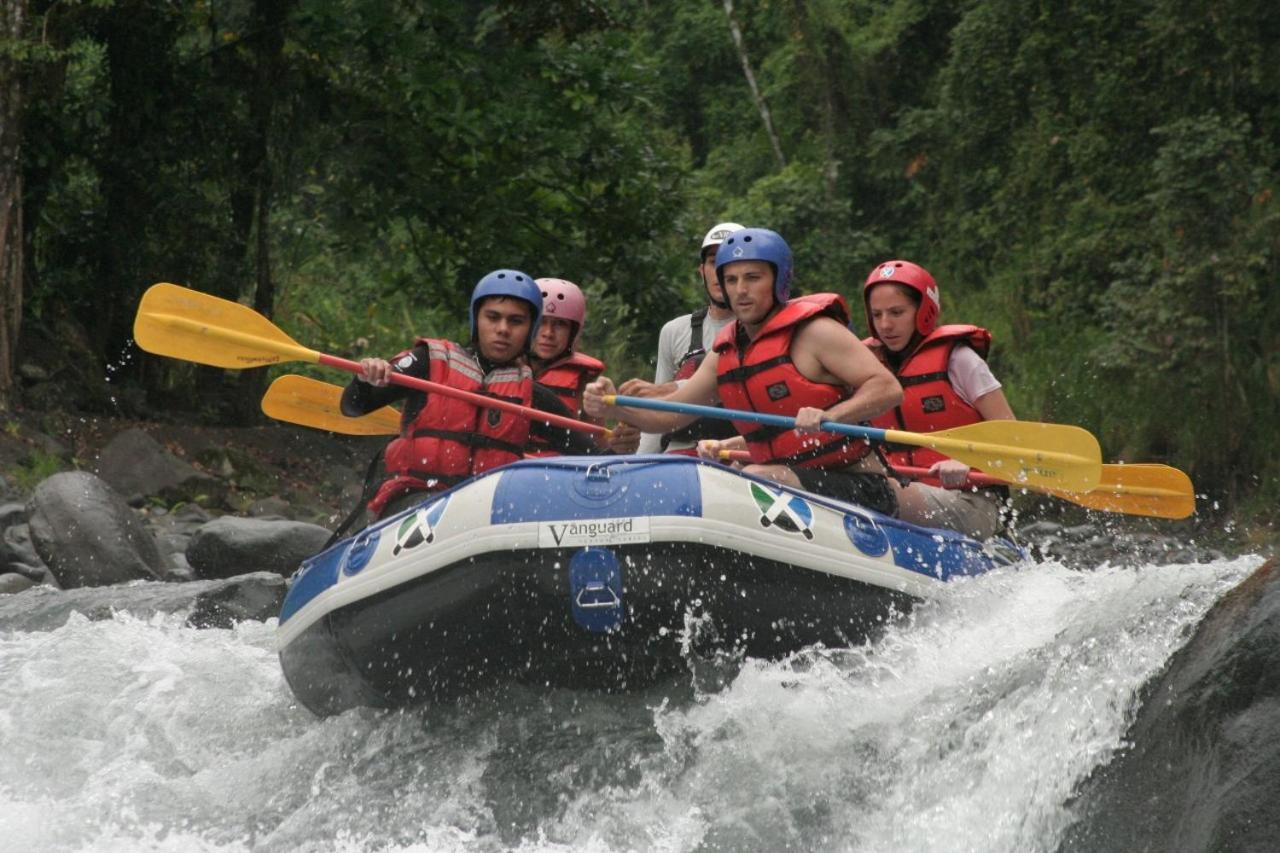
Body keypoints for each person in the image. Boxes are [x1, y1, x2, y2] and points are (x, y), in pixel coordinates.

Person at [585, 228, 903, 515]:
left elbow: (888, 388)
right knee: (736, 479)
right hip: (784, 479)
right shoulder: (725, 352)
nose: (741, 290)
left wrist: (830, 416)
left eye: (753, 278)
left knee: (753, 478)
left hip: (858, 482)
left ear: (778, 280)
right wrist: (614, 403)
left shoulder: (815, 332)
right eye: (732, 280)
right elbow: (669, 417)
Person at [342, 269, 599, 519]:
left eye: (516, 321)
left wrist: (625, 439)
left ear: (530, 329)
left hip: (483, 513)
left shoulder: (532, 396)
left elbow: (593, 457)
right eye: (493, 317)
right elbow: (353, 406)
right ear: (476, 319)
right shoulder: (428, 362)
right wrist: (365, 379)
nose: (503, 329)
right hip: (412, 500)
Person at [862, 259, 1016, 539]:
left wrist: (969, 464)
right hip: (902, 488)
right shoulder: (865, 364)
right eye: (877, 314)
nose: (885, 324)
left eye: (897, 312)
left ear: (923, 312)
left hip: (972, 501)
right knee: (855, 482)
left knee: (868, 489)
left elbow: (1014, 439)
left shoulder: (960, 361)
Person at [624, 222, 745, 455]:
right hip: (678, 456)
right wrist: (639, 464)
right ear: (702, 271)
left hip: (736, 454)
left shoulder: (765, 332)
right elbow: (657, 414)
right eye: (713, 262)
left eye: (730, 263)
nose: (721, 271)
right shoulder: (675, 331)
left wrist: (667, 389)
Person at [529, 277, 640, 454]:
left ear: (573, 332)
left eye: (559, 324)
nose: (548, 333)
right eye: (541, 322)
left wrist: (621, 443)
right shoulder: (502, 370)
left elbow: (596, 447)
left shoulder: (587, 383)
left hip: (558, 473)